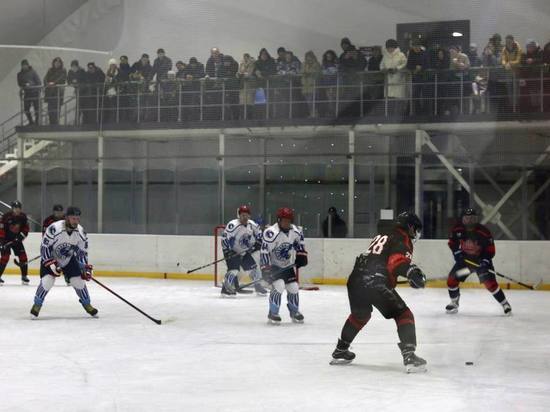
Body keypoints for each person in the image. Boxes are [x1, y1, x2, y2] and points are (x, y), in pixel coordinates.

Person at [330, 211, 427, 373]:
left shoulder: (384, 233)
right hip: (375, 281)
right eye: (415, 229)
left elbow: (381, 259)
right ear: (409, 227)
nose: (415, 233)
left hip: (356, 279)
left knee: (360, 315)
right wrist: (411, 272)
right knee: (404, 315)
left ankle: (341, 350)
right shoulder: (402, 237)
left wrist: (407, 273)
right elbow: (395, 263)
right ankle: (409, 355)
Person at [30, 206, 97, 318]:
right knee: (47, 281)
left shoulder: (81, 232)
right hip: (50, 258)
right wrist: (50, 262)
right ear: (66, 218)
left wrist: (84, 267)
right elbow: (44, 247)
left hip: (68, 259)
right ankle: (37, 304)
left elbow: (82, 252)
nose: (76, 221)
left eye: (77, 218)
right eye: (73, 218)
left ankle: (87, 304)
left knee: (78, 282)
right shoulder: (54, 229)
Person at [445, 208, 512, 316]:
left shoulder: (483, 232)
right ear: (463, 219)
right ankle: (454, 302)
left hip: (481, 262)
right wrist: (456, 252)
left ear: (476, 219)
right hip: (466, 261)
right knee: (452, 280)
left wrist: (485, 261)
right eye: (467, 218)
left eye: (472, 218)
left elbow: (490, 250)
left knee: (490, 284)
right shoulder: (457, 229)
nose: (470, 221)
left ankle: (505, 304)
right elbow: (452, 242)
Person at [260, 207, 308, 324]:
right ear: (279, 220)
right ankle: (273, 312)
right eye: (284, 220)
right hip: (273, 266)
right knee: (279, 285)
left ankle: (294, 312)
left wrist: (302, 255)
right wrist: (266, 269)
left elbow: (299, 243)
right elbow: (265, 252)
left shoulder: (295, 231)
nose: (286, 223)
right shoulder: (271, 233)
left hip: (287, 265)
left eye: (288, 220)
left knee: (294, 287)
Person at [220, 205, 267, 297]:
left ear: (249, 216)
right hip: (232, 251)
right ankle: (225, 289)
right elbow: (224, 238)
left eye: (246, 215)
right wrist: (227, 251)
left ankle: (258, 286)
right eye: (242, 215)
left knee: (254, 268)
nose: (244, 217)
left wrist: (258, 242)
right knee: (234, 270)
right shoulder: (233, 225)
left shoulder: (252, 224)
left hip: (244, 251)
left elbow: (259, 235)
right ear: (239, 215)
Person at [0, 201, 30, 285]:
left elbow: (26, 229)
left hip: (17, 240)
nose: (17, 210)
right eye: (15, 208)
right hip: (5, 240)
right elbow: (1, 229)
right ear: (12, 208)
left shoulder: (23, 217)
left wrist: (20, 237)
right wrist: (1, 242)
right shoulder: (5, 217)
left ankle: (24, 276)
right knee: (5, 258)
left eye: (18, 208)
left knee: (23, 257)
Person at [380, 39, 408, 116]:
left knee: (398, 100)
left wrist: (397, 68)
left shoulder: (401, 55)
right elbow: (381, 65)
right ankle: (389, 116)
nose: (389, 49)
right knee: (389, 100)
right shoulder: (385, 56)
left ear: (395, 47)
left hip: (398, 81)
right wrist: (384, 70)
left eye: (391, 47)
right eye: (388, 47)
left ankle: (398, 116)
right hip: (388, 81)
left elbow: (405, 64)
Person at [406, 40, 430, 115]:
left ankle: (426, 112)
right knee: (415, 95)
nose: (416, 48)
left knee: (425, 95)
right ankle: (417, 112)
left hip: (424, 77)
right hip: (415, 77)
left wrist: (421, 68)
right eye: (414, 47)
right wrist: (415, 68)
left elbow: (427, 64)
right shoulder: (411, 54)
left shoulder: (424, 53)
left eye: (417, 46)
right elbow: (408, 65)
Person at [43, 57, 67, 125]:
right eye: (56, 62)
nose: (57, 64)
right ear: (53, 63)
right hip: (50, 94)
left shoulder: (63, 70)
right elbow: (45, 79)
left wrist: (54, 83)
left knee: (56, 111)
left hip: (58, 93)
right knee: (50, 110)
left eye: (58, 63)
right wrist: (47, 84)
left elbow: (62, 78)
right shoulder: (50, 70)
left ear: (60, 63)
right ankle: (51, 124)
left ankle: (56, 124)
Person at [17, 59, 41, 125]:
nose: (24, 66)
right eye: (23, 65)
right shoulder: (19, 74)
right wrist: (25, 84)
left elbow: (38, 82)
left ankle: (37, 122)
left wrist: (33, 86)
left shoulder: (33, 72)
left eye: (25, 65)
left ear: (28, 65)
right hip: (27, 93)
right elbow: (19, 83)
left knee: (37, 108)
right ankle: (31, 121)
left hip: (35, 92)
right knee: (26, 108)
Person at [301, 51, 322, 117]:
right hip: (305, 86)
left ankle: (315, 113)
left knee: (312, 101)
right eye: (307, 57)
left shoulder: (316, 64)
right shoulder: (304, 64)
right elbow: (301, 72)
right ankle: (312, 113)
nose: (308, 58)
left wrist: (309, 73)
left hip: (313, 85)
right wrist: (306, 73)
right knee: (308, 102)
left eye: (310, 57)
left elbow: (318, 74)